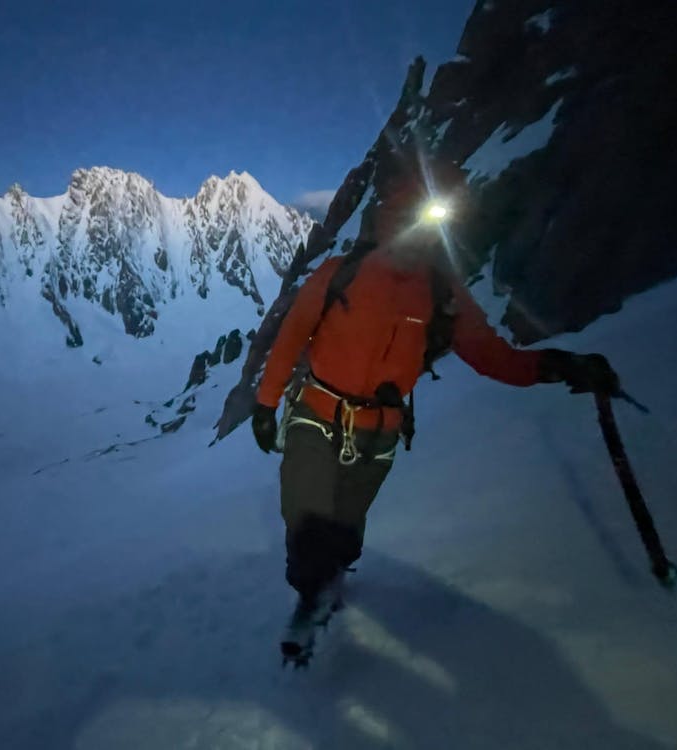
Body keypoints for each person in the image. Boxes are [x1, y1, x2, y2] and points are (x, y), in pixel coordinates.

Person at [251, 161, 620, 616]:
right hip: (316, 415)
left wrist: (560, 366)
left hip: (376, 435)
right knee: (306, 519)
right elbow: (292, 337)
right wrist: (267, 404)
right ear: (391, 216)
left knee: (345, 529)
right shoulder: (340, 274)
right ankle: (312, 596)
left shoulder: (442, 295)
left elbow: (492, 356)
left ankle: (330, 580)